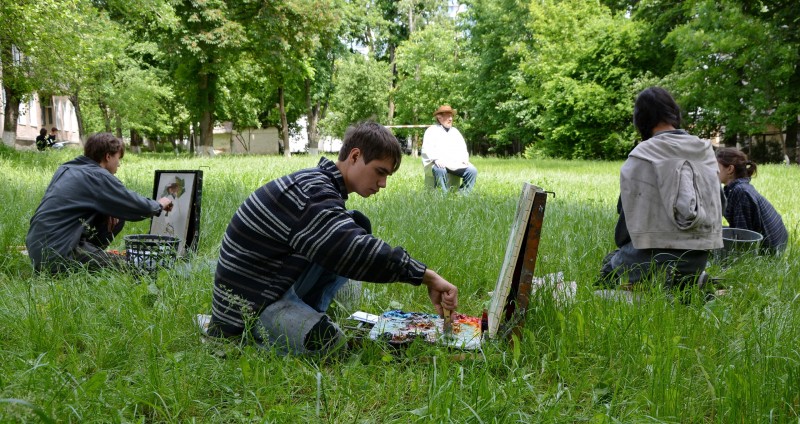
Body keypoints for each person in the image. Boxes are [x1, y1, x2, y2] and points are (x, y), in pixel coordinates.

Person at [208, 121, 459, 355]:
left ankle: (309, 310)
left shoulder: (320, 185)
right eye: (379, 172)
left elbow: (345, 242)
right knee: (330, 343)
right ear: (355, 156)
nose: (382, 184)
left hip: (272, 283)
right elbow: (352, 249)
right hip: (249, 308)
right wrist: (427, 277)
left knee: (356, 223)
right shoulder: (312, 191)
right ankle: (255, 335)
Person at [598, 87, 723, 289]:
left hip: (648, 256)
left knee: (610, 265)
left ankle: (655, 282)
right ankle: (686, 282)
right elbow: (719, 206)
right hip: (697, 256)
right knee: (678, 273)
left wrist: (625, 246)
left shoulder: (640, 156)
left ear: (640, 120)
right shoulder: (705, 151)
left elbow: (625, 220)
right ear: (674, 113)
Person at [26, 132, 174, 274]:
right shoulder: (97, 175)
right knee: (135, 265)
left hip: (38, 251)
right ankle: (85, 259)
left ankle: (88, 252)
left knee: (116, 215)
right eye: (118, 159)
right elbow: (135, 206)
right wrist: (159, 204)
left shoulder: (66, 168)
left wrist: (109, 210)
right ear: (108, 157)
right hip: (60, 254)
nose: (119, 165)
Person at [716, 147, 788, 253]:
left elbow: (742, 238)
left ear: (730, 169)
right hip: (775, 245)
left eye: (715, 166)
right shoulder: (737, 188)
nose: (712, 170)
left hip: (768, 253)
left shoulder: (740, 192)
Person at [420, 105, 477, 194]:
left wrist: (464, 159)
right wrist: (436, 159)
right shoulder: (431, 131)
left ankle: (463, 195)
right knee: (440, 169)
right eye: (448, 116)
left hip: (455, 163)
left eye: (451, 116)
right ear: (439, 117)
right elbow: (427, 148)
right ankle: (442, 195)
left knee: (472, 171)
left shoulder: (455, 132)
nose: (450, 119)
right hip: (438, 163)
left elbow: (462, 148)